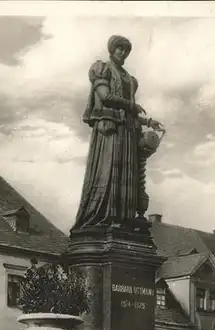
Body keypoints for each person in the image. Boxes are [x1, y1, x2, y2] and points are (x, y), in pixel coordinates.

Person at [72, 35, 163, 231]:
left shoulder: (129, 78)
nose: (122, 52)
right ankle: (105, 216)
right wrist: (131, 104)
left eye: (125, 50)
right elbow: (105, 97)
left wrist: (148, 121)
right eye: (119, 48)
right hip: (111, 131)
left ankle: (123, 219)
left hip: (128, 131)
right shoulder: (102, 69)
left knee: (126, 176)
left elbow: (129, 111)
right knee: (110, 171)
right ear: (112, 50)